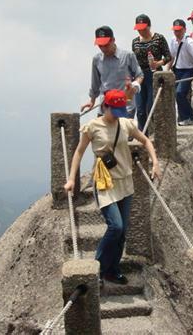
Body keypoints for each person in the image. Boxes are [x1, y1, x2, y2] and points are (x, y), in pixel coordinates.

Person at [65, 89, 161, 285]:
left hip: (126, 182)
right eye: (114, 110)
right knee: (115, 227)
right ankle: (97, 269)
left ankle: (112, 270)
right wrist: (71, 179)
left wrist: (155, 162)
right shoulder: (92, 127)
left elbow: (145, 141)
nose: (118, 114)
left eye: (120, 110)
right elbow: (78, 152)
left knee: (123, 230)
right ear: (105, 107)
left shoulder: (125, 124)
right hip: (105, 183)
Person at [81, 26, 144, 119]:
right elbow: (95, 83)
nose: (103, 48)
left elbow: (140, 75)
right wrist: (92, 100)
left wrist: (134, 87)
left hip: (125, 106)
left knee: (123, 133)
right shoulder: (96, 59)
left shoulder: (128, 56)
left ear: (113, 40)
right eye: (100, 45)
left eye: (106, 45)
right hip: (105, 107)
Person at [132, 14, 172, 133]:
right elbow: (133, 59)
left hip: (154, 74)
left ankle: (156, 132)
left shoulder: (158, 38)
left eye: (144, 28)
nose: (141, 30)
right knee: (140, 109)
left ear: (149, 26)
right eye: (139, 28)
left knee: (151, 106)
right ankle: (143, 134)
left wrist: (158, 63)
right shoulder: (135, 42)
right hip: (139, 75)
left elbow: (168, 56)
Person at [167, 19, 193, 126]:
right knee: (178, 95)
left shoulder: (189, 42)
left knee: (179, 93)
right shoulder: (173, 40)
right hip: (178, 70)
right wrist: (166, 70)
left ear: (184, 30)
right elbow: (172, 57)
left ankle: (191, 116)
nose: (177, 33)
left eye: (179, 30)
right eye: (175, 30)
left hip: (189, 70)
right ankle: (184, 118)